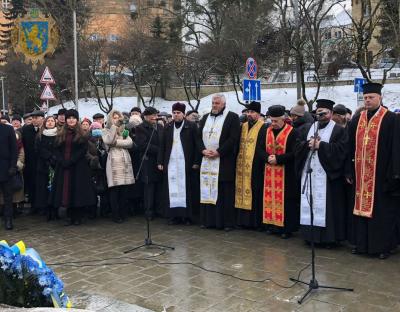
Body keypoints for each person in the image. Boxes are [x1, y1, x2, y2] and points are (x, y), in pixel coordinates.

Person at [346, 83, 400, 259]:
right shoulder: (357, 119)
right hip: (360, 175)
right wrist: (348, 170)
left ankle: (382, 247)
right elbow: (349, 147)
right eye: (365, 98)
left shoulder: (391, 119)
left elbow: (395, 148)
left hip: (381, 175)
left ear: (380, 98)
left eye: (371, 98)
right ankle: (361, 245)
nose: (368, 101)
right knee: (359, 212)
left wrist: (394, 174)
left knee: (382, 213)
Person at [296, 99, 348, 247]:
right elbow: (297, 146)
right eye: (318, 113)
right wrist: (307, 145)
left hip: (327, 177)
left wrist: (321, 146)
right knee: (309, 203)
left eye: (324, 113)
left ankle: (328, 239)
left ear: (331, 114)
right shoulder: (308, 128)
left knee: (328, 208)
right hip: (310, 174)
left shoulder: (338, 130)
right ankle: (310, 237)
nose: (321, 116)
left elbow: (341, 151)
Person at [256, 105, 299, 238]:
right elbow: (259, 149)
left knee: (286, 201)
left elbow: (295, 152)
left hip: (286, 173)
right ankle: (271, 225)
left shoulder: (292, 132)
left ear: (283, 119)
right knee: (269, 198)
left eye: (276, 121)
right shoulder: (265, 131)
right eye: (271, 120)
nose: (273, 124)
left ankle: (286, 229)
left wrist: (279, 159)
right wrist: (267, 158)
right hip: (269, 170)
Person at [199, 94, 240, 230]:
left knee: (224, 193)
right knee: (207, 189)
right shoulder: (205, 118)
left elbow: (233, 138)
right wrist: (203, 150)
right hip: (207, 160)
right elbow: (198, 138)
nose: (214, 105)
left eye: (217, 103)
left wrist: (219, 152)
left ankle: (226, 223)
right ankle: (208, 221)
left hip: (224, 162)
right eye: (213, 103)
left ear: (224, 104)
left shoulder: (232, 117)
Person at [158, 102, 201, 225]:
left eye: (178, 113)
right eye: (174, 113)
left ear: (183, 114)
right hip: (171, 163)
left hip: (185, 164)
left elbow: (197, 144)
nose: (176, 115)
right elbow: (162, 145)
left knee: (186, 190)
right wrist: (160, 161)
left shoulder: (191, 126)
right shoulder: (168, 127)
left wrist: (196, 162)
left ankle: (187, 216)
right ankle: (174, 216)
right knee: (171, 190)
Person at [51, 109, 96, 226]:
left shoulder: (82, 134)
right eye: (69, 118)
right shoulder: (60, 133)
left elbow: (83, 150)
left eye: (73, 118)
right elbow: (56, 148)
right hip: (63, 167)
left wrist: (71, 160)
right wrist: (61, 160)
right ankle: (68, 216)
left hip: (78, 167)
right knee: (65, 191)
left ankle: (78, 216)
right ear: (66, 120)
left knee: (78, 191)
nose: (71, 120)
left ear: (77, 120)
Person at [235, 101, 266, 229]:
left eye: (252, 112)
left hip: (256, 166)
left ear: (258, 114)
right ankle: (242, 221)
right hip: (241, 165)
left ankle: (255, 223)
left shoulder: (264, 127)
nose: (249, 114)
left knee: (255, 192)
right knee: (240, 190)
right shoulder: (242, 126)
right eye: (248, 112)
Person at [102, 110, 135, 223]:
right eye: (114, 117)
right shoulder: (106, 130)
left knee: (124, 190)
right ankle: (115, 215)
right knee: (114, 189)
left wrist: (117, 142)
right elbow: (109, 140)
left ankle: (123, 213)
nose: (116, 119)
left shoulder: (124, 130)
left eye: (118, 117)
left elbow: (130, 143)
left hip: (125, 161)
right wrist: (114, 128)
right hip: (114, 161)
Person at [135, 107, 163, 218]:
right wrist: (160, 150)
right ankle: (149, 211)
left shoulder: (160, 127)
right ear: (146, 117)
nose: (155, 117)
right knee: (149, 188)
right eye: (152, 115)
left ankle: (159, 209)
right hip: (148, 161)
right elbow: (143, 145)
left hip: (159, 161)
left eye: (156, 115)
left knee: (159, 187)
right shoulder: (140, 128)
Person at [34, 116, 57, 220]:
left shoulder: (59, 135)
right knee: (43, 188)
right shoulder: (40, 135)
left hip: (55, 164)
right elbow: (38, 149)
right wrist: (48, 156)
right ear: (45, 123)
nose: (50, 123)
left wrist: (54, 158)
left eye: (52, 121)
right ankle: (45, 209)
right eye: (48, 121)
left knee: (55, 188)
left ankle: (55, 209)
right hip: (43, 165)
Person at [22, 110, 44, 213]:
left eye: (36, 118)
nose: (34, 120)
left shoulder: (46, 129)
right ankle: (33, 205)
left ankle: (43, 205)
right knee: (31, 184)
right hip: (30, 162)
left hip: (43, 161)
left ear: (42, 118)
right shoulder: (26, 129)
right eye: (33, 118)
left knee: (42, 184)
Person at [0, 118, 17, 229]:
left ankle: (8, 220)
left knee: (8, 196)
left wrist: (12, 166)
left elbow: (14, 149)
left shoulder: (8, 129)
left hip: (5, 168)